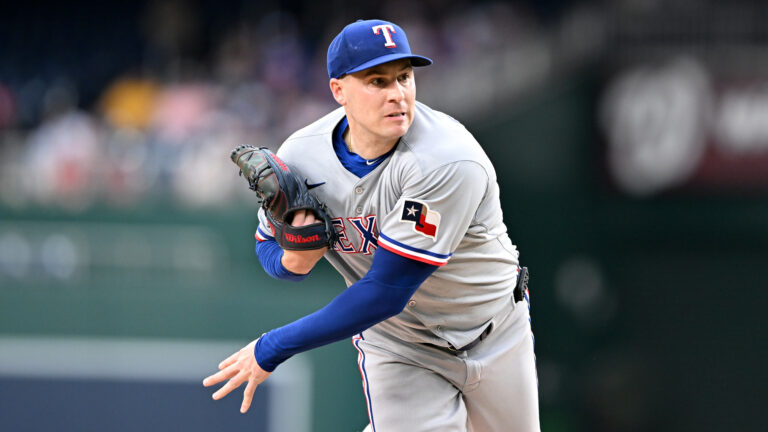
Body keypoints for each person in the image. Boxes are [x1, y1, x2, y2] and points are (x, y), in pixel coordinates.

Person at [203, 19, 540, 431]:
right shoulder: (304, 155)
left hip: (493, 330)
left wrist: (272, 346)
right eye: (377, 81)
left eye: (404, 77)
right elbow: (265, 245)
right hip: (398, 344)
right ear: (338, 90)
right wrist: (292, 259)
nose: (397, 94)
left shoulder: (448, 159)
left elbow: (386, 291)